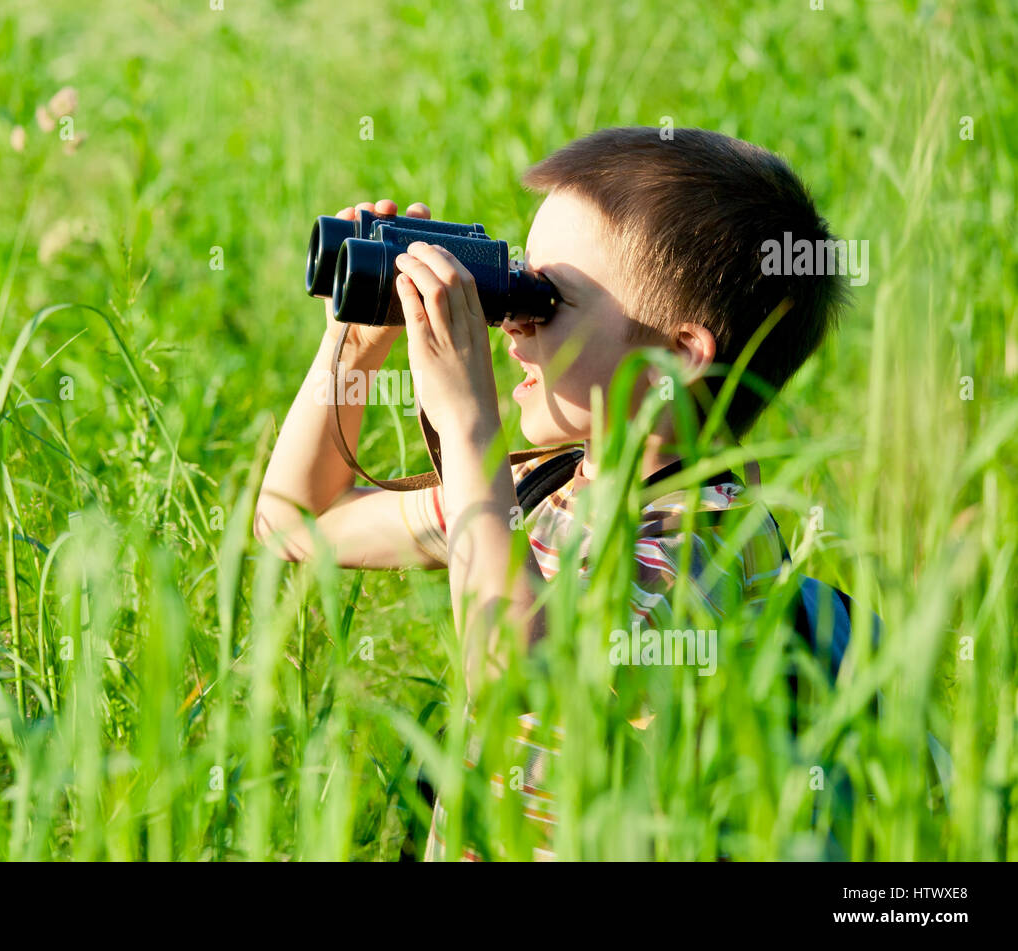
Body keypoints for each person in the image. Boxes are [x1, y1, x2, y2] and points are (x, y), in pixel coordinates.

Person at [254, 127, 851, 859]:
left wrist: (471, 429)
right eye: (516, 284)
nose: (510, 323)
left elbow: (519, 670)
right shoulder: (544, 490)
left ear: (677, 356)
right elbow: (295, 520)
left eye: (549, 300)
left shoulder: (709, 545)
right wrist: (353, 344)